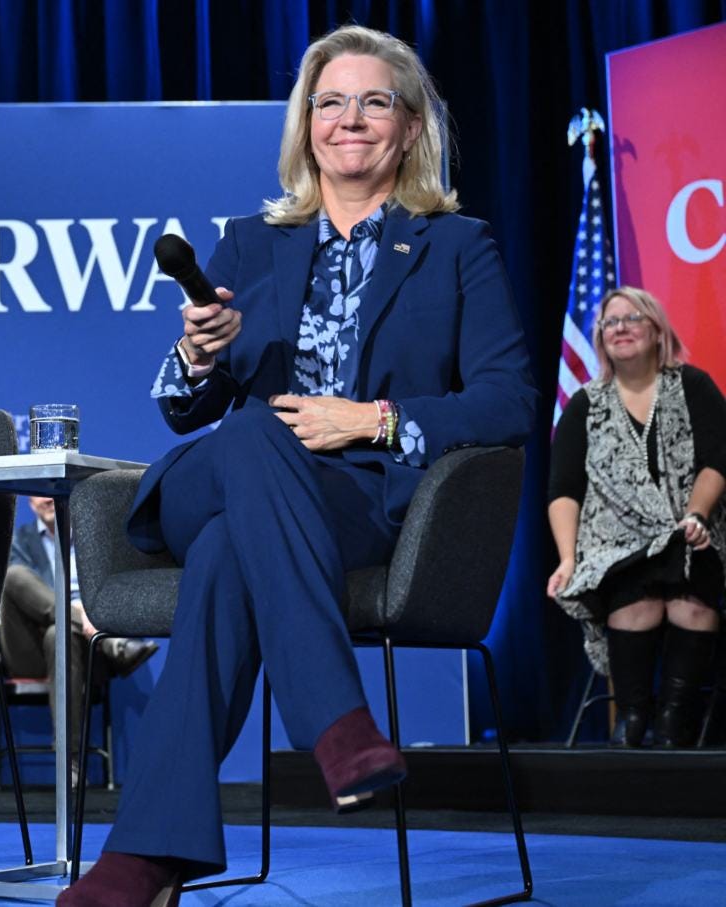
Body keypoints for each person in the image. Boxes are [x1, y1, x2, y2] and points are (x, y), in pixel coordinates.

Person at [61, 25, 535, 906]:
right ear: (305, 124)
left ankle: (145, 859)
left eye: (373, 101)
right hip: (216, 478)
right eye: (329, 102)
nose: (348, 119)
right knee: (249, 435)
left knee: (229, 558)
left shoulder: (455, 244)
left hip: (352, 501)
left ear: (408, 125)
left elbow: (508, 398)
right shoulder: (249, 242)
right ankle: (336, 719)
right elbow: (188, 405)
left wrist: (377, 418)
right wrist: (200, 357)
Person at [548, 286, 725, 748]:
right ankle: (631, 717)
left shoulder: (693, 387)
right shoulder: (585, 405)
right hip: (616, 543)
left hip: (693, 533)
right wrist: (567, 559)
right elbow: (564, 491)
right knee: (635, 599)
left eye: (632, 319)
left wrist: (697, 516)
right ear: (602, 340)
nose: (620, 328)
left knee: (689, 599)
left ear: (657, 330)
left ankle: (675, 720)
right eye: (610, 322)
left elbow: (717, 461)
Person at [0, 496, 157, 775]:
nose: (47, 498)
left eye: (52, 491)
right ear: (30, 500)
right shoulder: (19, 540)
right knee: (16, 576)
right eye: (39, 493)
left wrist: (91, 607)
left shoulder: (93, 539)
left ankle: (68, 760)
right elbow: (22, 599)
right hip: (29, 646)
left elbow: (116, 588)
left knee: (58, 634)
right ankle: (111, 643)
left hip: (80, 648)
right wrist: (81, 613)